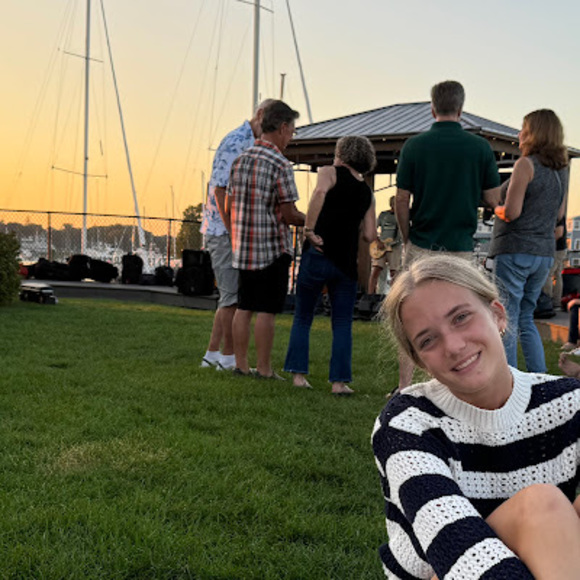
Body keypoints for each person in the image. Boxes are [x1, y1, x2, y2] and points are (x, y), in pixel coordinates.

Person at [373, 254, 580, 580]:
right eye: (428, 340)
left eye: (461, 317)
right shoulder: (406, 423)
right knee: (541, 506)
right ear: (421, 361)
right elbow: (456, 546)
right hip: (445, 571)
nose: (454, 346)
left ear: (497, 315)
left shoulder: (569, 403)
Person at [394, 80, 502, 390]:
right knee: (459, 318)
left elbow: (401, 199)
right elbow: (493, 199)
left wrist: (406, 235)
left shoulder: (414, 146)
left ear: (432, 108)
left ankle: (404, 385)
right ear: (461, 108)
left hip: (422, 242)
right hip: (460, 245)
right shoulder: (480, 148)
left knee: (412, 315)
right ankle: (456, 384)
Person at [283, 136, 377, 395]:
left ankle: (298, 376)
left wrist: (309, 229)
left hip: (318, 252)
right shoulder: (367, 192)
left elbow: (319, 193)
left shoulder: (329, 172)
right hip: (346, 264)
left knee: (303, 316)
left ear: (341, 154)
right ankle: (339, 382)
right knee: (343, 322)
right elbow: (370, 234)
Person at [225, 100, 305, 379]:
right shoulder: (281, 164)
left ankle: (240, 364)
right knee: (267, 311)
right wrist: (312, 219)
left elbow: (230, 204)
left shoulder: (240, 160)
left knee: (244, 307)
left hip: (243, 248)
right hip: (271, 248)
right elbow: (289, 213)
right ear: (282, 128)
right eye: (291, 131)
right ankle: (264, 368)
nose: (291, 137)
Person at [489, 109, 569, 372]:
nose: (519, 134)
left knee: (507, 318)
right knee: (526, 318)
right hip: (543, 253)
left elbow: (512, 212)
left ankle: (510, 381)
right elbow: (559, 215)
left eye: (524, 129)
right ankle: (539, 377)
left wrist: (496, 208)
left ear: (534, 133)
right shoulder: (561, 171)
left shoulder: (526, 165)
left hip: (515, 249)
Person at [199, 99, 273, 370]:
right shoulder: (235, 142)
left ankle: (212, 354)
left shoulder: (249, 141)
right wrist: (233, 232)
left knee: (228, 297)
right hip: (224, 230)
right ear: (261, 115)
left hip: (226, 229)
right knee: (233, 298)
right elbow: (220, 189)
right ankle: (228, 357)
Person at [368, 195, 402, 295]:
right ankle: (370, 295)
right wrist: (378, 241)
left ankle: (394, 295)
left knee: (394, 273)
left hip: (395, 247)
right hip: (381, 246)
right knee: (376, 270)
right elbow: (373, 228)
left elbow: (402, 234)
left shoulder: (401, 217)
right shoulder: (383, 215)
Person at [542, 214, 568, 309]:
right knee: (557, 275)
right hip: (561, 248)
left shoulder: (556, 213)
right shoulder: (559, 214)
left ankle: (547, 302)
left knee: (548, 274)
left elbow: (559, 233)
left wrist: (547, 244)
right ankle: (556, 302)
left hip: (555, 249)